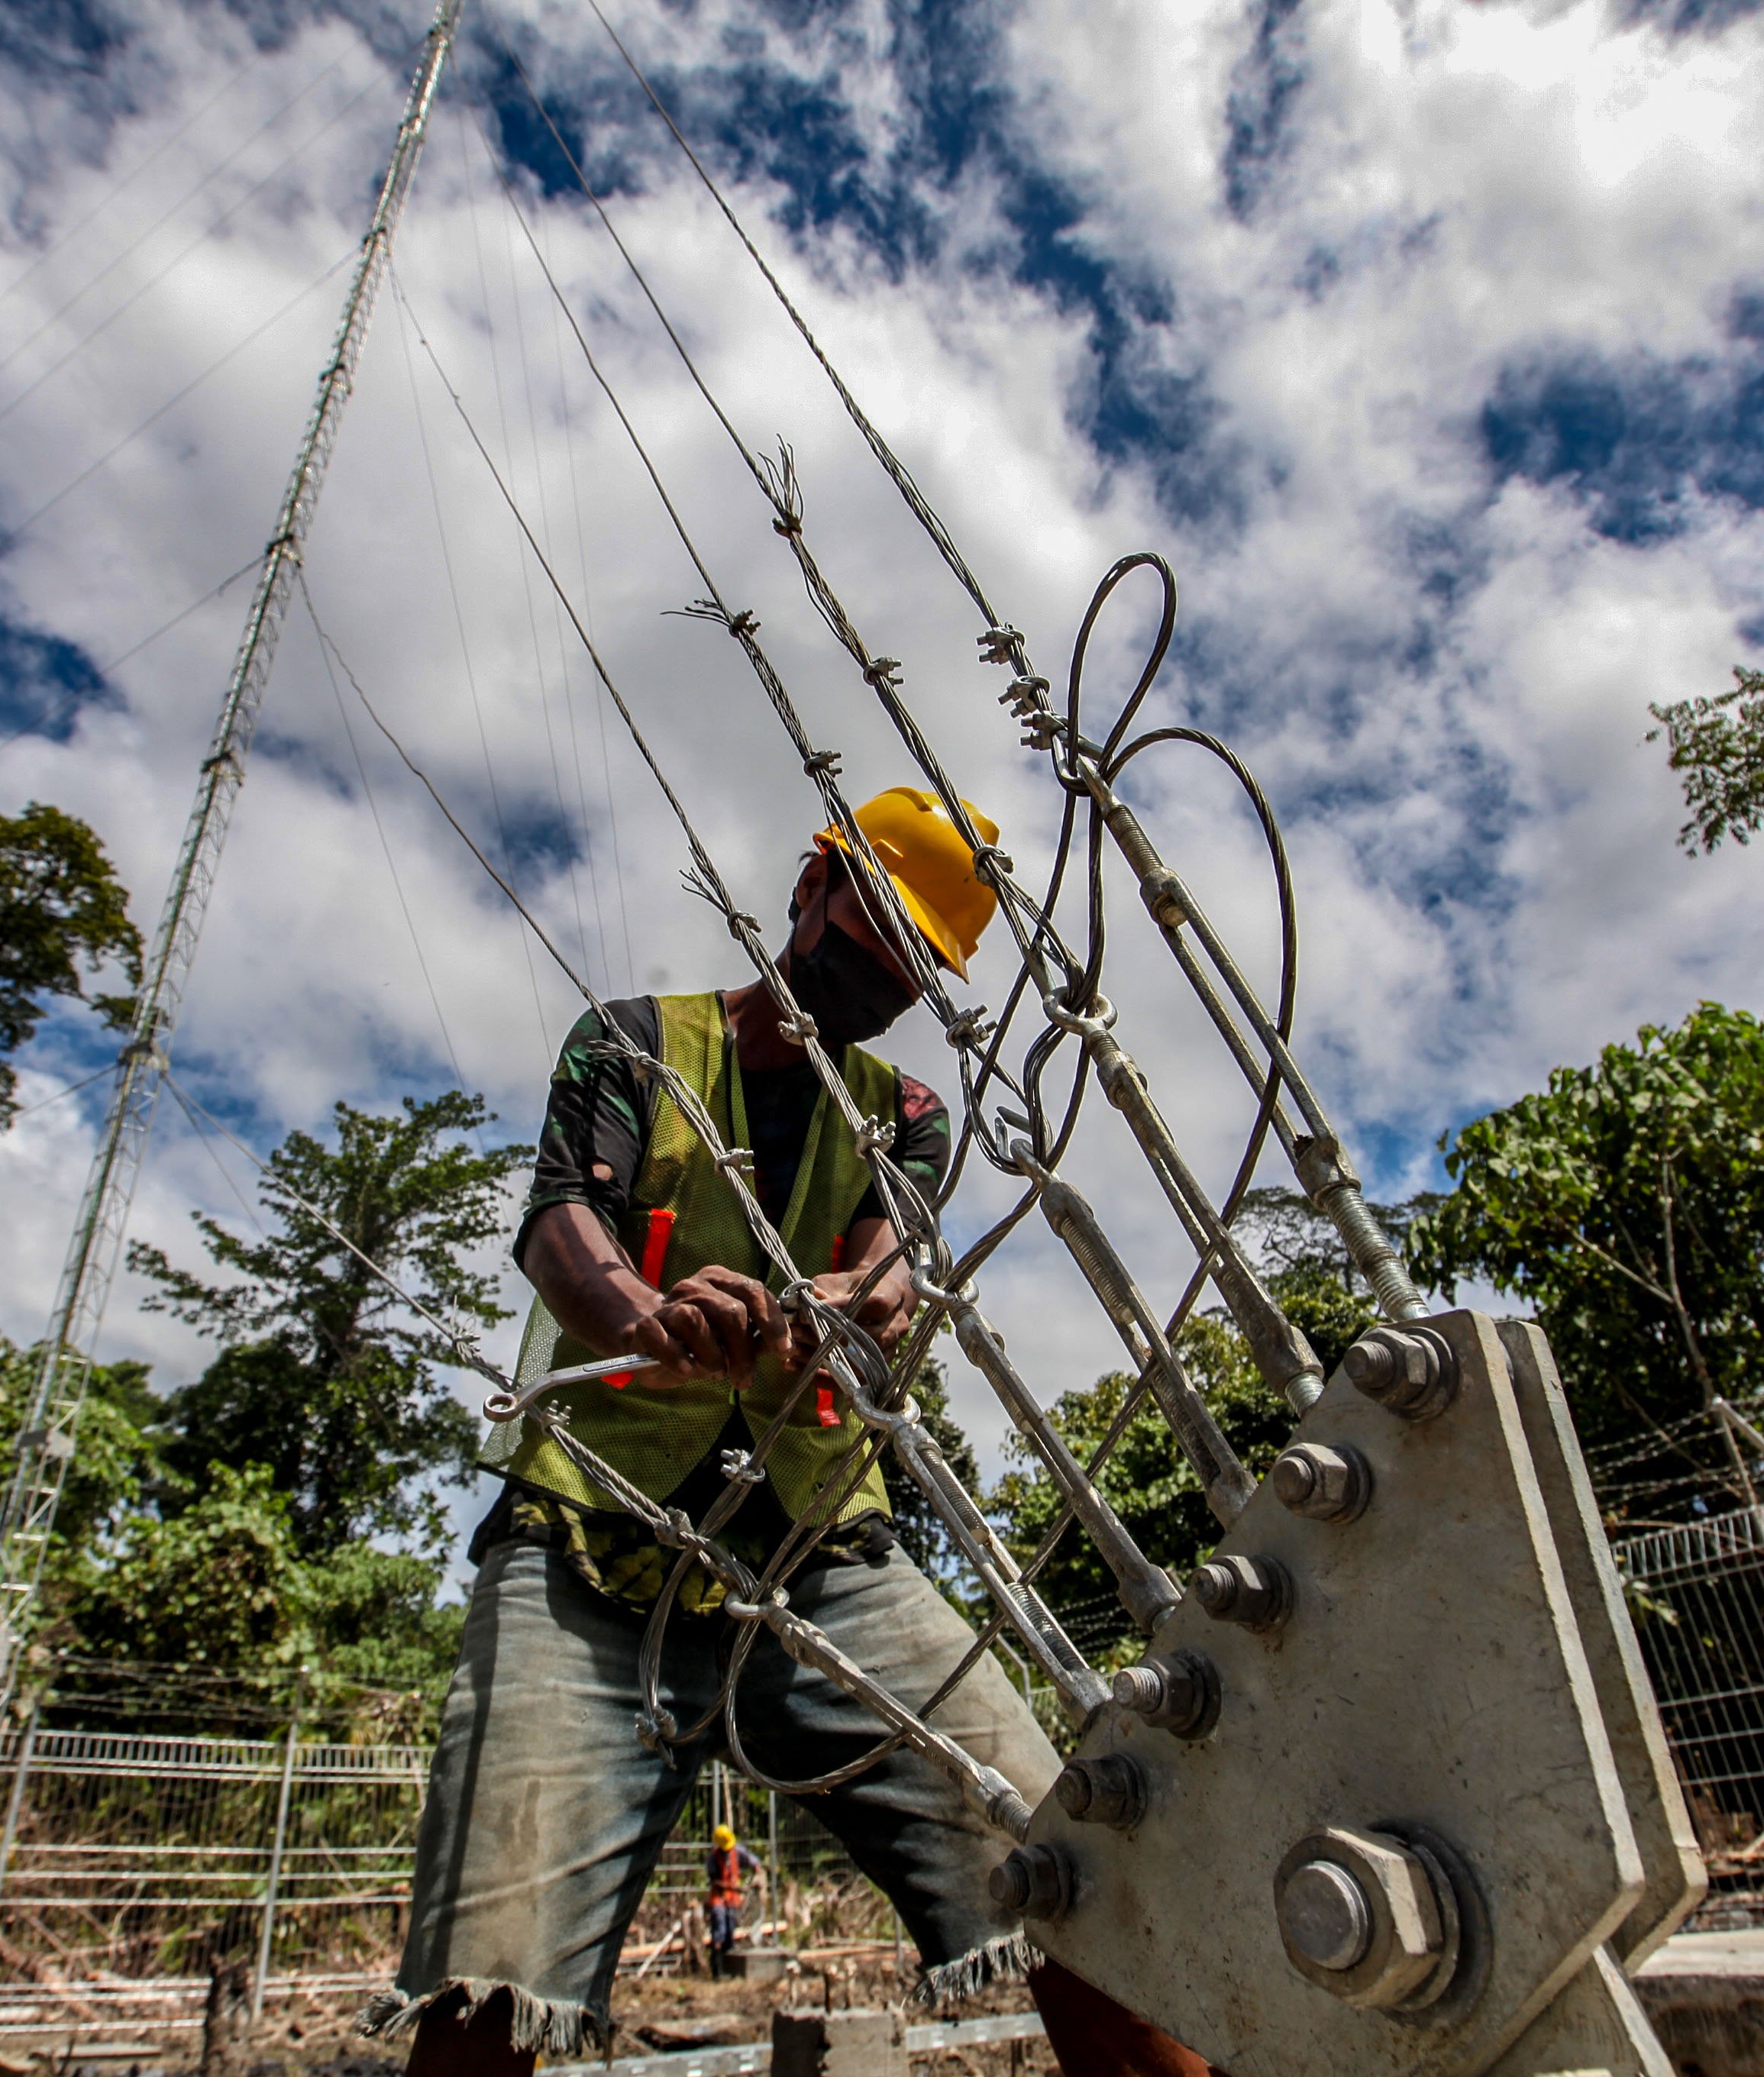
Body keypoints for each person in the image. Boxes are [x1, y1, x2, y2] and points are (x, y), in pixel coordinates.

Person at [366, 788, 1209, 2077]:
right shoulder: (632, 1046)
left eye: (918, 962)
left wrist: (857, 1308)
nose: (887, 973)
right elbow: (560, 1226)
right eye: (876, 928)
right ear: (811, 889)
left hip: (822, 1549)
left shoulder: (907, 1115)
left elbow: (891, 1266)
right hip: (589, 1548)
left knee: (1065, 1868)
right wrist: (644, 1314)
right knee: (492, 1971)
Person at [704, 1823, 764, 1976]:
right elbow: (714, 1882)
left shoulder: (737, 1851)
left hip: (733, 1899)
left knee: (730, 1930)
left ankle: (729, 1968)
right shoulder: (713, 1859)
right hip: (719, 1898)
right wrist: (734, 1888)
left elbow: (753, 1861)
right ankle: (717, 1970)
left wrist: (757, 1870)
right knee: (720, 1930)